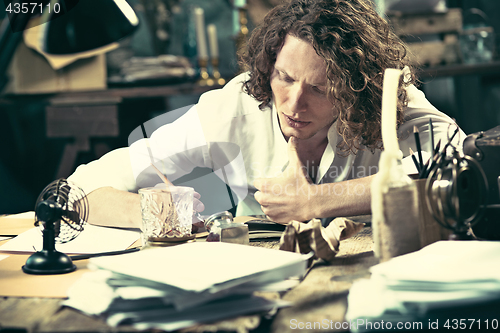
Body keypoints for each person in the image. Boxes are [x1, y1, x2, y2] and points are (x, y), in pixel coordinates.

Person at [68, 0, 463, 228]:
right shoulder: (238, 105)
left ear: (356, 90)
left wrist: (320, 201)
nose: (293, 104)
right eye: (284, 78)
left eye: (321, 90)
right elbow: (82, 186)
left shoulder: (389, 100)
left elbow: (466, 172)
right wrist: (156, 212)